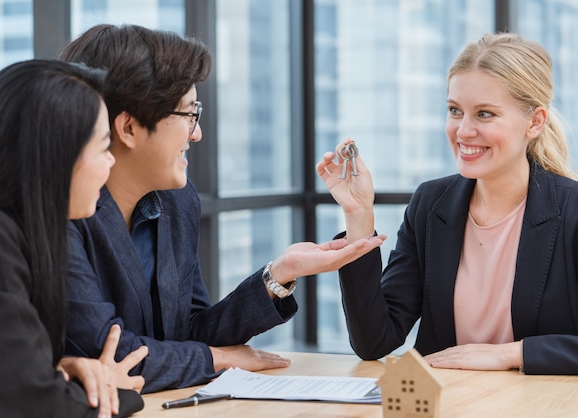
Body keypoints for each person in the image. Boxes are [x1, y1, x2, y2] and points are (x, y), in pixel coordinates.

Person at [60, 23, 385, 394]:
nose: (196, 134)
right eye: (188, 114)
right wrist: (219, 359)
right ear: (129, 127)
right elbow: (111, 359)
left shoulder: (177, 201)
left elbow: (191, 331)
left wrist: (277, 276)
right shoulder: (60, 211)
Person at [317, 32, 578, 375]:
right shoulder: (430, 204)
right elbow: (374, 342)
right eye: (455, 111)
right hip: (446, 403)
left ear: (535, 122)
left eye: (485, 114)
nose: (463, 131)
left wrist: (510, 354)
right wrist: (359, 216)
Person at [0, 59, 148, 418]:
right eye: (102, 148)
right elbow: (36, 404)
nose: (111, 162)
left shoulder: (22, 234)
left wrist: (61, 369)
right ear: (56, 156)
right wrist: (113, 391)